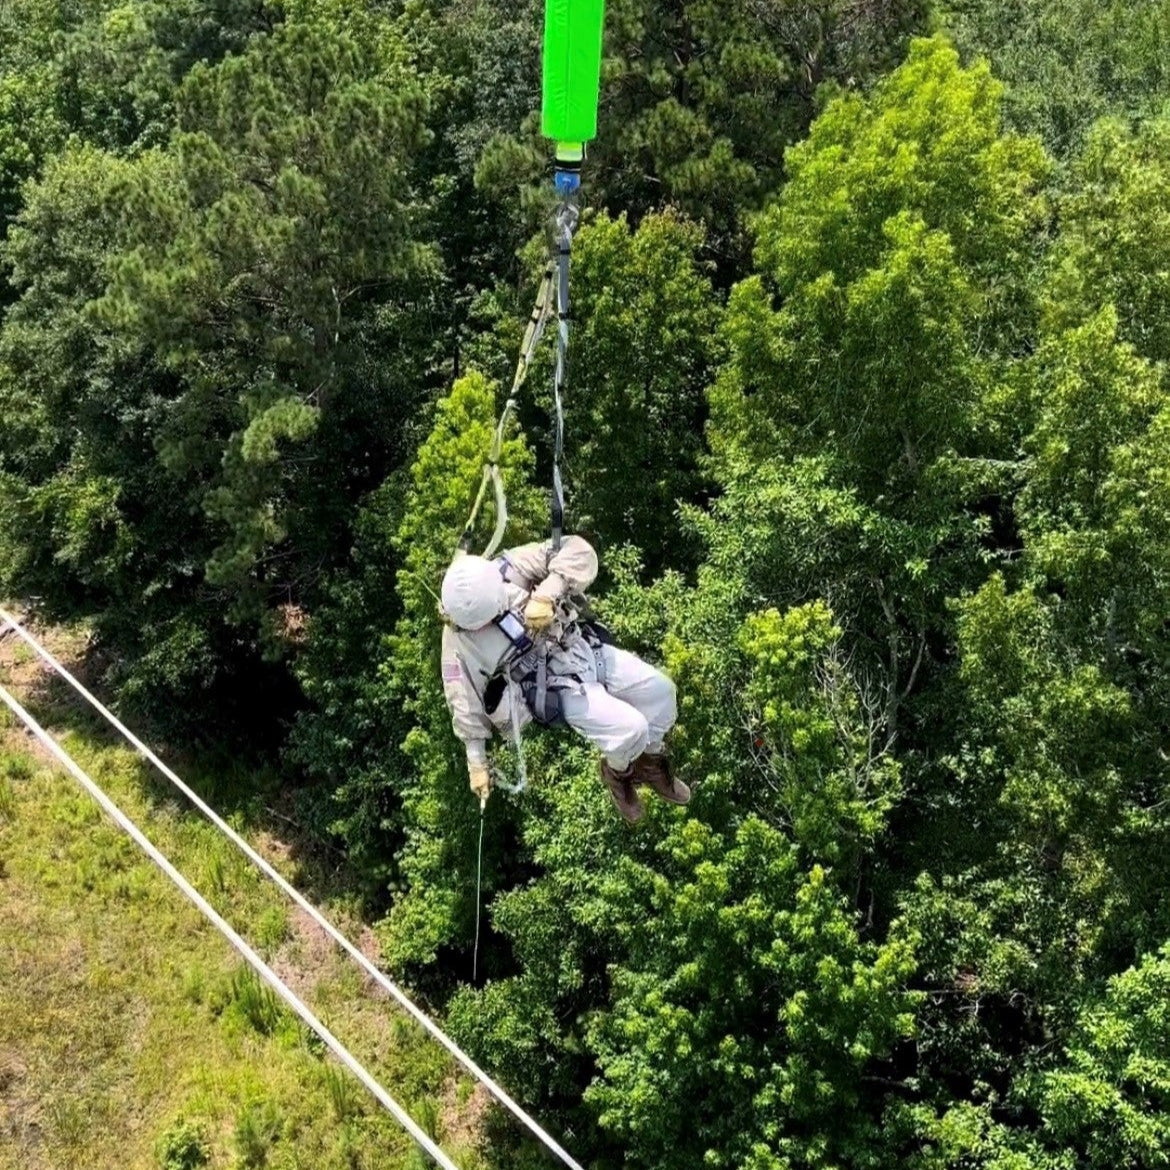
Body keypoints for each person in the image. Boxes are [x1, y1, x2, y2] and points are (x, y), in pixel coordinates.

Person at [439, 535, 689, 823]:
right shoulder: (459, 641)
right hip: (550, 685)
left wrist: (548, 591)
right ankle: (618, 773)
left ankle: (650, 763)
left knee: (662, 694)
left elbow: (577, 550)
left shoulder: (510, 568)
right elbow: (462, 700)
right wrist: (476, 763)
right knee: (630, 730)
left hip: (579, 647)